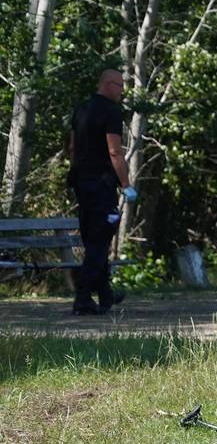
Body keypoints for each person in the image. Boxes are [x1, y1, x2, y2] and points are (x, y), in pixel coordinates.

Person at [68, 68, 137, 315]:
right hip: (101, 184)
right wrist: (126, 185)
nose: (122, 90)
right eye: (119, 85)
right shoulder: (110, 112)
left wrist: (78, 175)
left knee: (93, 237)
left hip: (81, 182)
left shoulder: (81, 109)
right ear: (108, 85)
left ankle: (105, 293)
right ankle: (83, 298)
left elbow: (73, 147)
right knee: (99, 241)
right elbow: (115, 152)